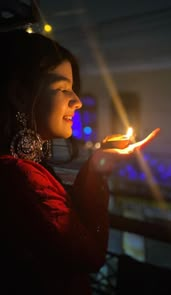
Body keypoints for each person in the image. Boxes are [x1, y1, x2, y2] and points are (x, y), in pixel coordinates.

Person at [0, 29, 160, 295]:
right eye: (62, 89)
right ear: (19, 94)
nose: (76, 102)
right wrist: (97, 173)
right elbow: (90, 256)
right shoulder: (20, 177)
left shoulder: (21, 170)